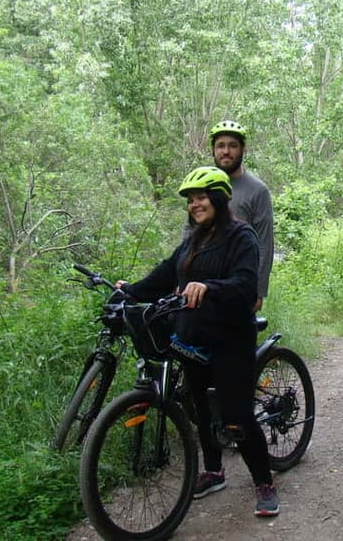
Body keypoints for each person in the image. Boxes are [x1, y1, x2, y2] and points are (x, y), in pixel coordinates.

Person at [116, 166, 280, 517]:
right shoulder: (193, 240)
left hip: (231, 336)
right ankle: (214, 471)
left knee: (236, 415)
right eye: (191, 200)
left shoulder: (241, 236)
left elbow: (245, 285)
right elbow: (165, 273)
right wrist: (129, 290)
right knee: (202, 411)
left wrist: (209, 287)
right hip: (193, 335)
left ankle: (264, 482)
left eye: (201, 197)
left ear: (219, 199)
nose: (195, 204)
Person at [209, 119, 274, 313]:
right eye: (220, 146)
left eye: (232, 146)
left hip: (239, 281)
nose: (226, 151)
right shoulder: (204, 187)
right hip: (204, 280)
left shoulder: (258, 190)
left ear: (243, 149)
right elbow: (189, 233)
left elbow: (264, 243)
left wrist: (258, 290)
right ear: (213, 150)